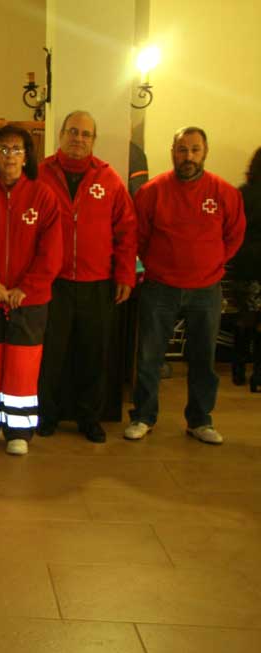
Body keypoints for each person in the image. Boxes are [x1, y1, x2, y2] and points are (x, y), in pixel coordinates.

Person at [127, 127, 246, 444]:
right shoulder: (152, 191)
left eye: (195, 150)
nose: (188, 156)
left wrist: (211, 263)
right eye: (182, 150)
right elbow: (138, 236)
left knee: (203, 359)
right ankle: (143, 416)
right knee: (150, 357)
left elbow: (234, 235)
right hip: (160, 287)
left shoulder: (224, 192)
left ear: (205, 152)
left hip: (206, 289)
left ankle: (200, 420)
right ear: (172, 152)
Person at [36, 111, 137, 443]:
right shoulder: (40, 175)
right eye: (73, 131)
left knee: (94, 354)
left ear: (93, 140)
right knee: (51, 354)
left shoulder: (109, 179)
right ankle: (46, 415)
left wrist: (125, 274)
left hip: (97, 282)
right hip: (53, 282)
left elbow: (126, 229)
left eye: (86, 134)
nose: (78, 138)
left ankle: (89, 417)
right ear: (61, 134)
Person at [0, 125, 62, 455]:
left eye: (16, 149)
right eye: (2, 149)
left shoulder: (43, 196)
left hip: (29, 301)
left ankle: (19, 429)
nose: (9, 156)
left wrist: (26, 289)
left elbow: (52, 250)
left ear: (27, 156)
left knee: (23, 364)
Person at [229, 147, 261, 391]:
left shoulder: (242, 193)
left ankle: (238, 368)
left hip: (244, 264)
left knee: (245, 318)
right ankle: (258, 375)